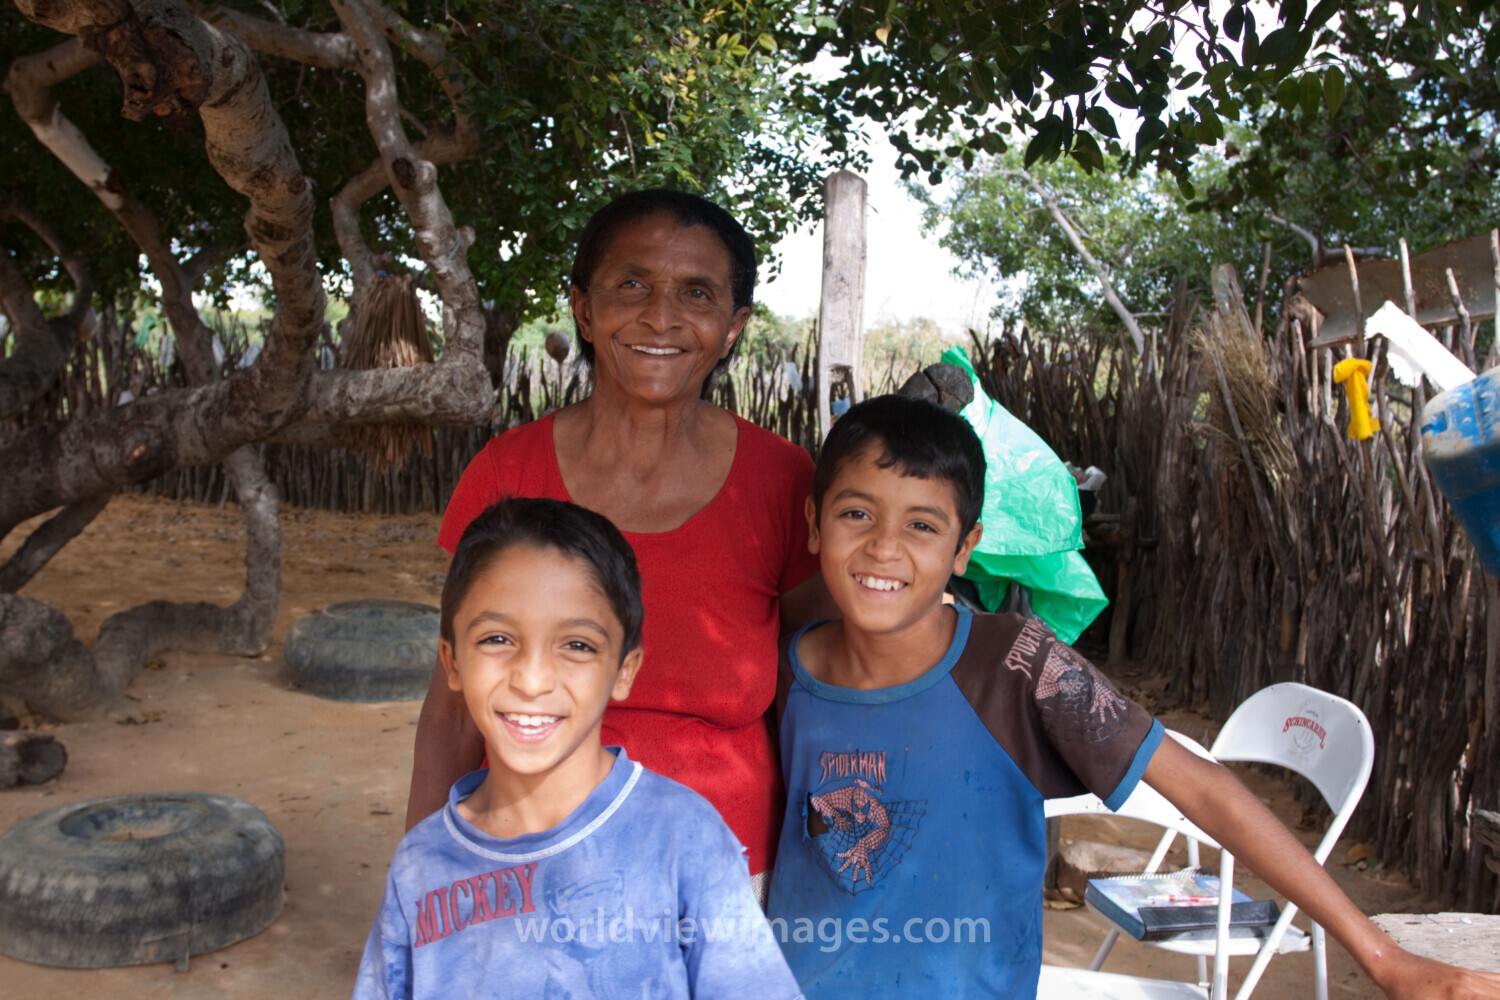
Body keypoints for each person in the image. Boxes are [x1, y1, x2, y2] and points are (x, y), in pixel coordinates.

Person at [766, 393, 1500, 999]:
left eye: (922, 525)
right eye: (856, 514)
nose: (884, 548)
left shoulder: (1018, 665)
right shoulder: (781, 671)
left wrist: (1381, 955)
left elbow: (1205, 792)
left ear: (966, 547)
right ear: (813, 523)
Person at [406, 190, 828, 889]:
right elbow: (451, 709)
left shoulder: (783, 483)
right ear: (584, 309)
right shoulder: (509, 474)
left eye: (697, 293)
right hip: (524, 860)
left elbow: (811, 688)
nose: (661, 315)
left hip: (722, 873)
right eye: (633, 284)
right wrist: (420, 879)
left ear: (731, 326)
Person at [356, 498, 802, 999]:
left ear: (625, 670)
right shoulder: (421, 866)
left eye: (577, 645)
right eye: (498, 638)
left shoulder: (685, 838)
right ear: (452, 661)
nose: (532, 679)